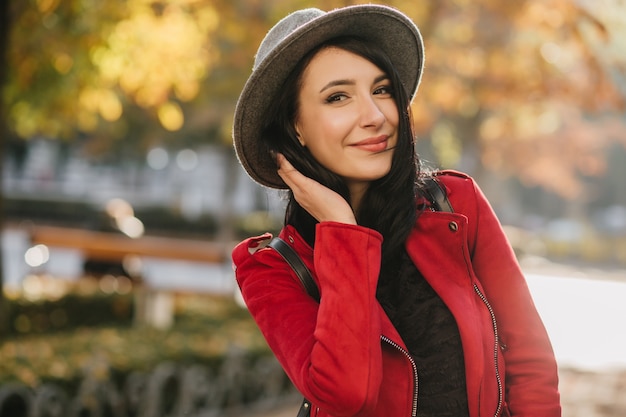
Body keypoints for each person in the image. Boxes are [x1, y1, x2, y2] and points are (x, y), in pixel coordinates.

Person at [231, 4, 561, 417]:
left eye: (382, 89)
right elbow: (347, 395)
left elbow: (530, 361)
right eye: (338, 97)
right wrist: (340, 229)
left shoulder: (456, 204)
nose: (375, 116)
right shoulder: (271, 267)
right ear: (294, 127)